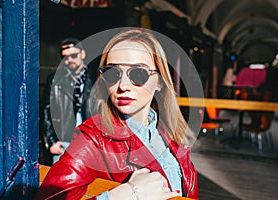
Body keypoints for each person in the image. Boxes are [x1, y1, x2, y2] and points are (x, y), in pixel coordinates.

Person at [36, 28, 198, 199]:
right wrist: (126, 194)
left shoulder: (171, 131)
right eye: (112, 73)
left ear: (159, 81)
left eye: (138, 73)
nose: (123, 85)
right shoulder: (93, 140)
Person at [42, 37, 95, 164]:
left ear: (82, 54)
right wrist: (51, 142)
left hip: (90, 142)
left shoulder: (96, 79)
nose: (69, 60)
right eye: (65, 57)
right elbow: (46, 110)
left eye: (73, 55)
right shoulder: (55, 80)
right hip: (64, 142)